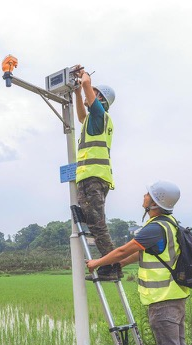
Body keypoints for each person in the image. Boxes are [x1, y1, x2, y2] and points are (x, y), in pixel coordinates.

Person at [86, 180, 191, 345]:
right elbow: (143, 253)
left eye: (147, 194)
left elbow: (125, 249)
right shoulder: (170, 223)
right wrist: (121, 264)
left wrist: (97, 263)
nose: (143, 196)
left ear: (154, 202)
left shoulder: (155, 227)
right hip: (176, 298)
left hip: (162, 301)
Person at [73, 66, 121, 281]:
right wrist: (76, 93)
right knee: (95, 223)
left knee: (98, 225)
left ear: (100, 98)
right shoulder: (94, 120)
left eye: (94, 92)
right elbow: (82, 117)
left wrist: (84, 76)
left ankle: (112, 266)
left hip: (93, 177)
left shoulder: (100, 114)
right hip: (92, 177)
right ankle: (110, 264)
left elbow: (86, 84)